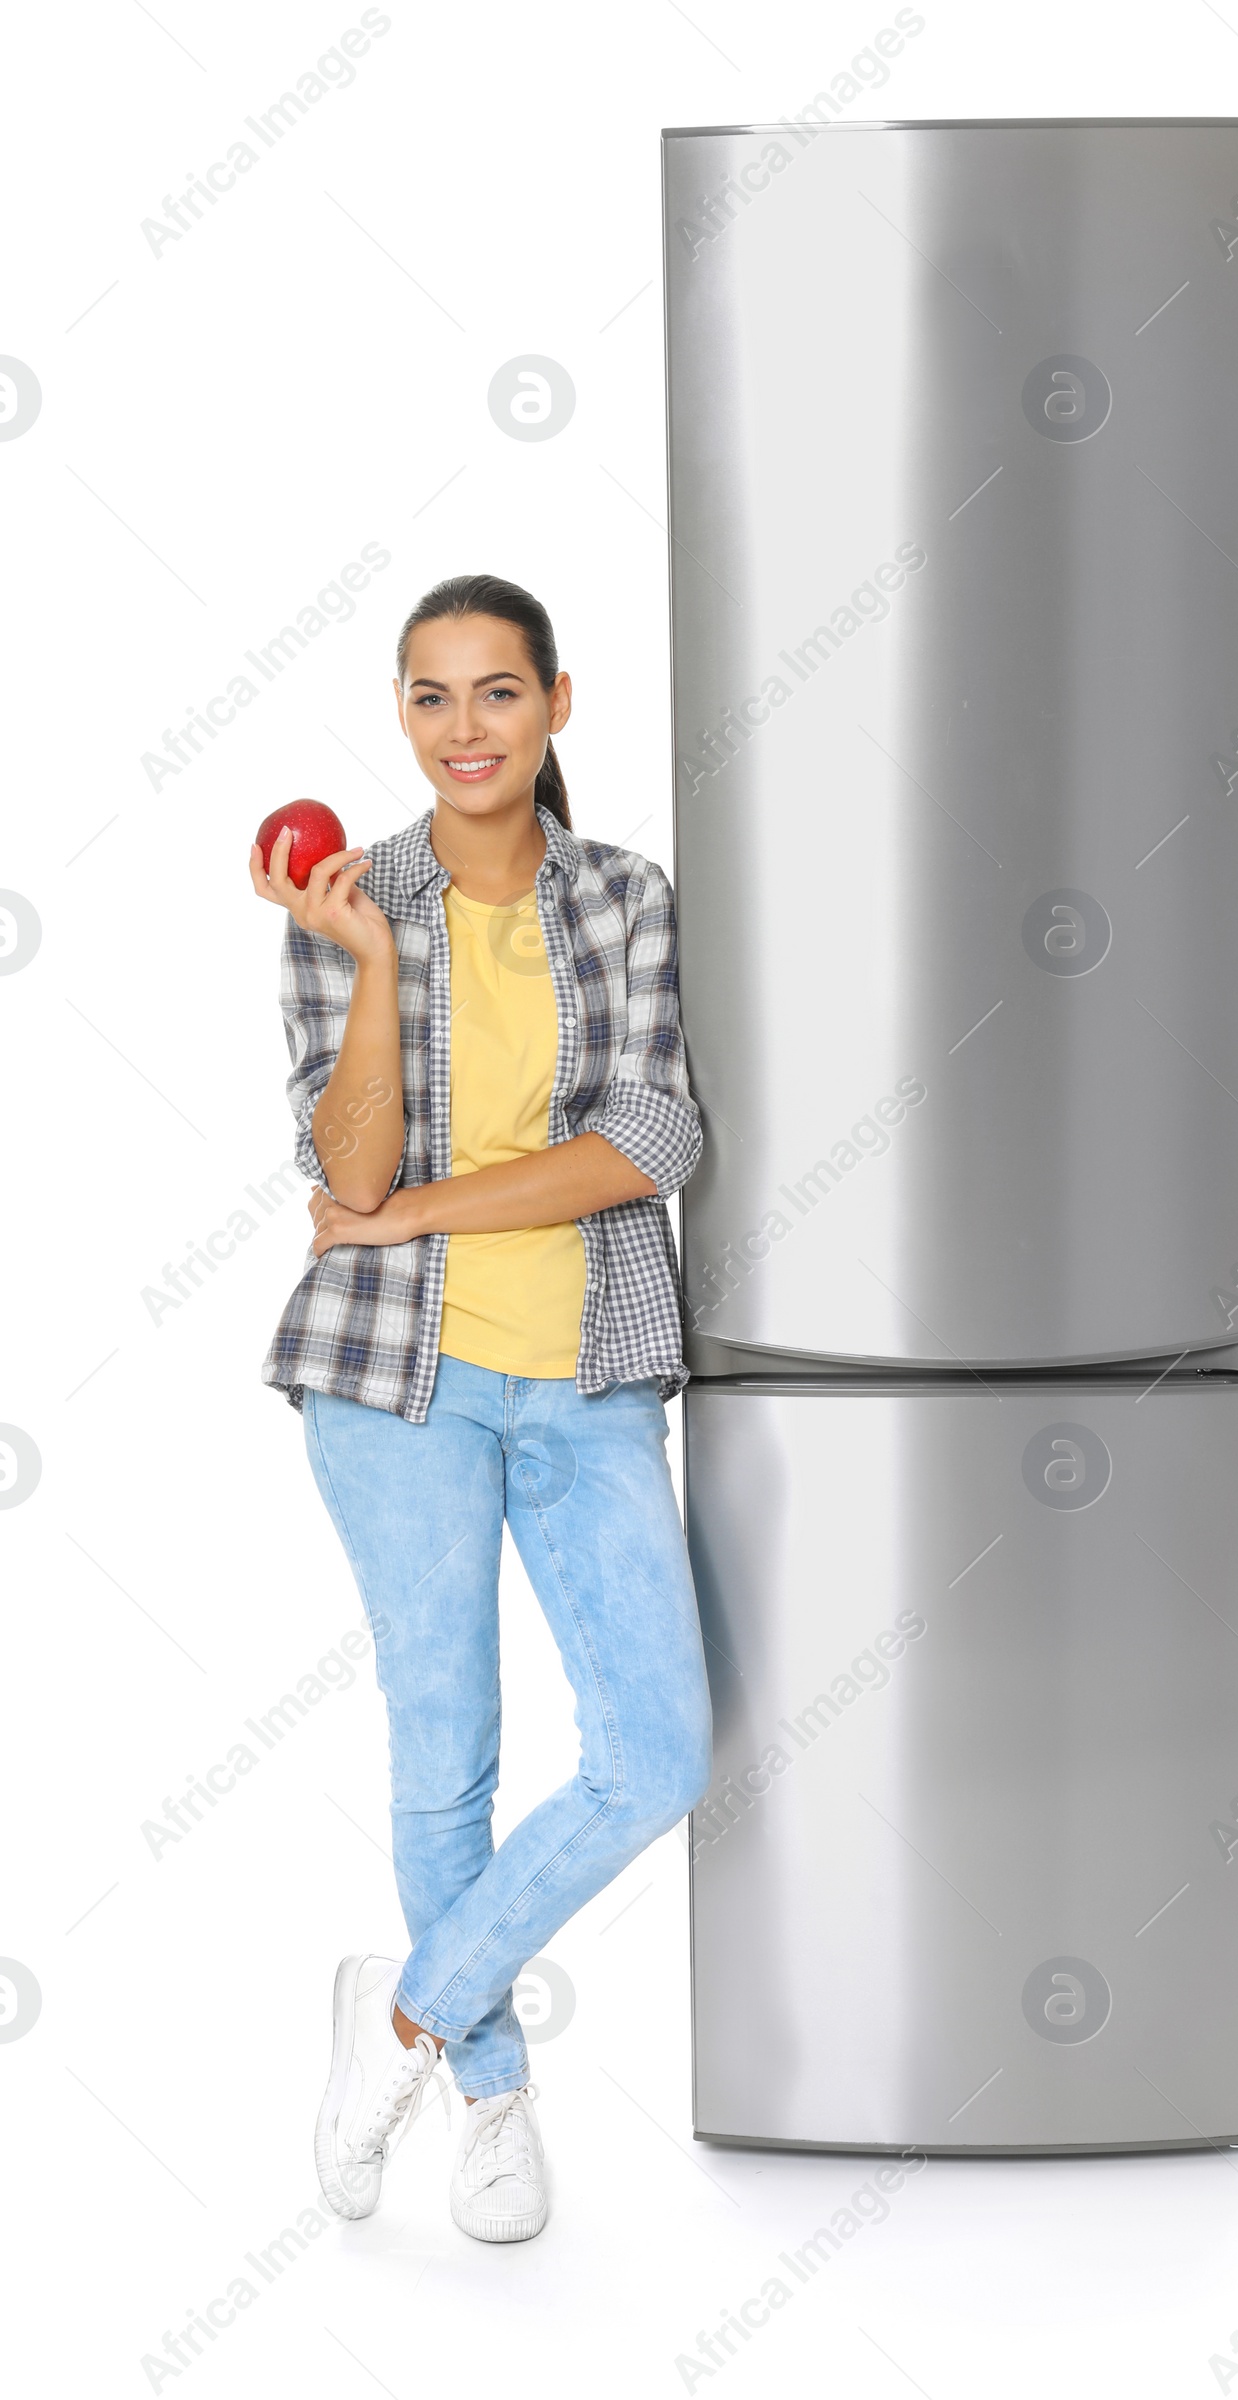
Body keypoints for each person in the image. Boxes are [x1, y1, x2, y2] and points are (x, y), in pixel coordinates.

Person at [250, 573, 711, 2243]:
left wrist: (420, 1214)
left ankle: (404, 2012)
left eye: (498, 694)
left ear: (558, 706)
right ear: (402, 714)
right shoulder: (342, 898)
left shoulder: (627, 897)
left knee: (657, 1752)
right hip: (394, 1385)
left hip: (590, 1373)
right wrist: (368, 961)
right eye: (432, 698)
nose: (466, 730)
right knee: (449, 1759)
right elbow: (350, 1161)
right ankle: (497, 2101)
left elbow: (654, 1144)